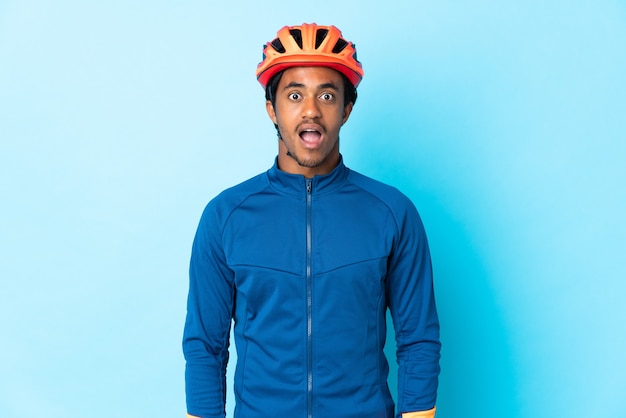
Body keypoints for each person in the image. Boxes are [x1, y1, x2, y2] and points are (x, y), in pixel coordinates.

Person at [183, 23, 441, 418]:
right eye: (294, 94)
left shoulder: (392, 212)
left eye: (326, 94)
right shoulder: (225, 216)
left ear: (346, 109)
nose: (310, 110)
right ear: (272, 108)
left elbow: (418, 338)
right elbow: (205, 346)